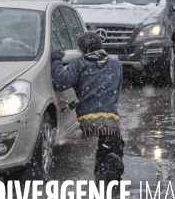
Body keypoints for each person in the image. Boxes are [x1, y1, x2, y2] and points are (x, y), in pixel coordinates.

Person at [50, 32, 124, 181]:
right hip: (111, 116)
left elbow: (60, 82)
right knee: (113, 144)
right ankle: (109, 170)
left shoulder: (79, 63)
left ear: (81, 49)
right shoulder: (116, 64)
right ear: (100, 46)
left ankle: (102, 168)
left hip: (88, 116)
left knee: (105, 145)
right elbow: (115, 90)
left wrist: (57, 60)